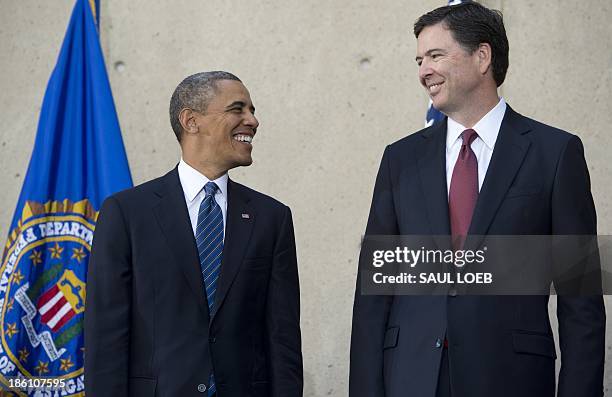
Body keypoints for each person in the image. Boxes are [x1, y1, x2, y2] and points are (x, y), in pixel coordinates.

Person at [349, 2, 605, 397]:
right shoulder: (399, 159)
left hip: (511, 378)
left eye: (436, 55)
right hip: (412, 378)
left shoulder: (555, 153)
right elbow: (374, 294)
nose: (423, 71)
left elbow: (581, 299)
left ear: (482, 56)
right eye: (419, 59)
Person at [85, 71, 303, 397]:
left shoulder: (272, 218)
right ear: (191, 121)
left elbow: (283, 340)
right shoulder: (127, 214)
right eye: (238, 109)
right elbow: (106, 338)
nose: (252, 121)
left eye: (252, 110)